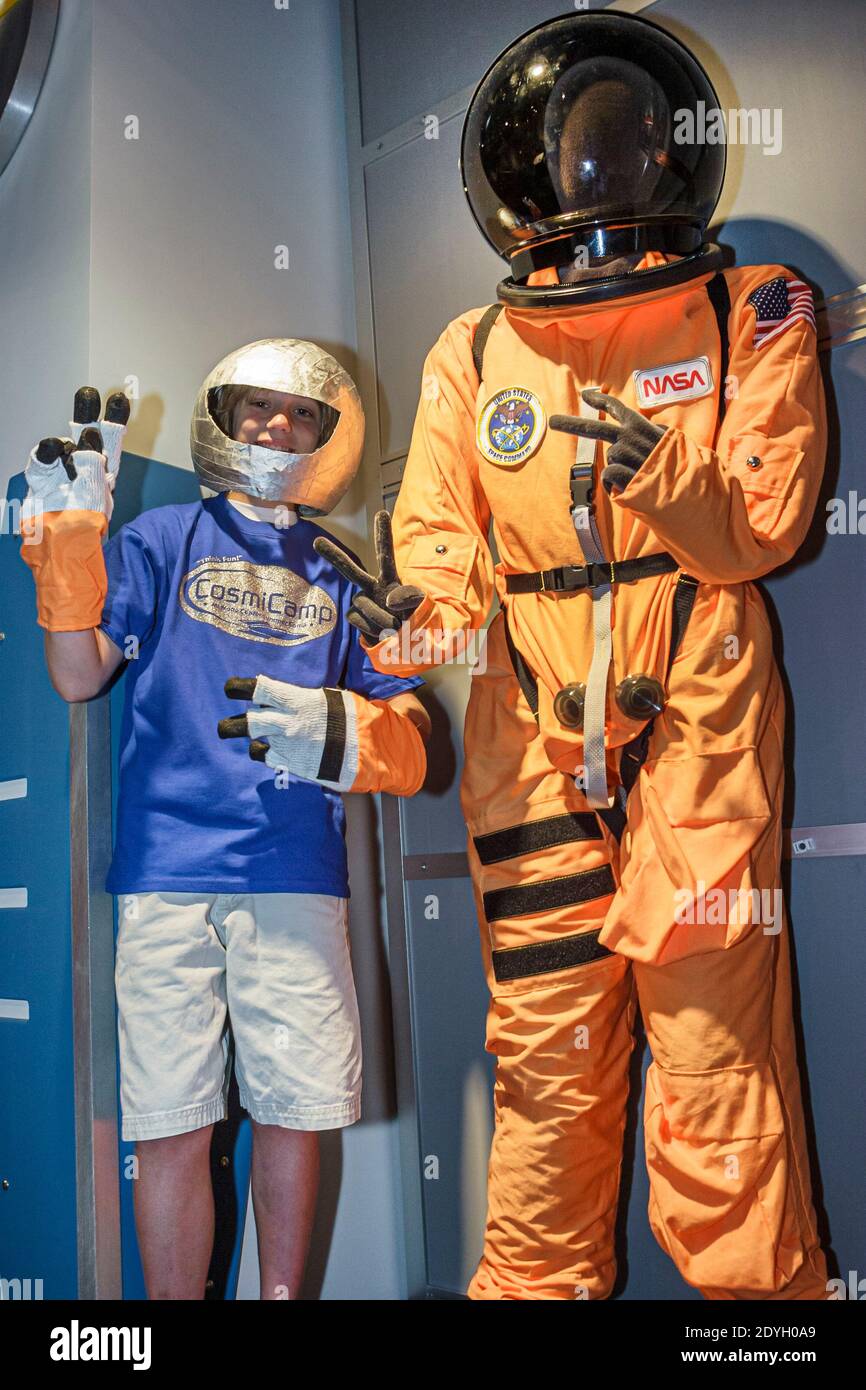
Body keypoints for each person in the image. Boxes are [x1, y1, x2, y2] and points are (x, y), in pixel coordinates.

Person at [318, 11, 830, 1300]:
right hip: (526, 731)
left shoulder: (750, 305)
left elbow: (762, 523)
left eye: (619, 140)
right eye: (570, 147)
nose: (593, 172)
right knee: (544, 1058)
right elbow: (441, 553)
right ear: (520, 170)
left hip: (697, 710)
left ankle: (757, 1320)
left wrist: (663, 479)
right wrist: (416, 626)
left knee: (714, 1046)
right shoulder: (472, 349)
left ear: (669, 149)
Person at [20, 337, 429, 1300]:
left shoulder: (343, 569)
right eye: (254, 406)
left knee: (294, 1112)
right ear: (225, 417)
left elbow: (412, 733)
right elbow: (78, 676)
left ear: (329, 435)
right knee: (171, 1121)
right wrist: (73, 555)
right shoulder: (162, 538)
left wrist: (350, 730)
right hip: (166, 875)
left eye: (299, 413)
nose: (273, 424)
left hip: (294, 872)